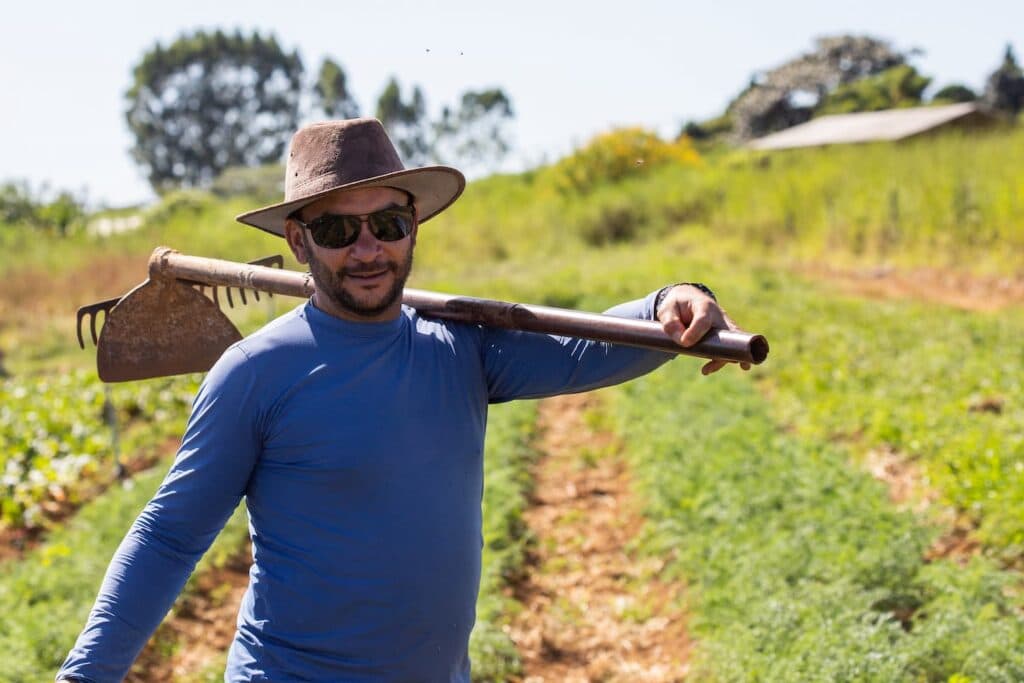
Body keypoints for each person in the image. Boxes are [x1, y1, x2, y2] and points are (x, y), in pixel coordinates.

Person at [57, 118, 748, 682]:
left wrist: (671, 301)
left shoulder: (460, 348)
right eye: (337, 231)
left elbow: (581, 349)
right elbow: (169, 536)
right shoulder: (255, 374)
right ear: (298, 240)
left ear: (413, 223)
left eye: (386, 224)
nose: (367, 249)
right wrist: (86, 675)